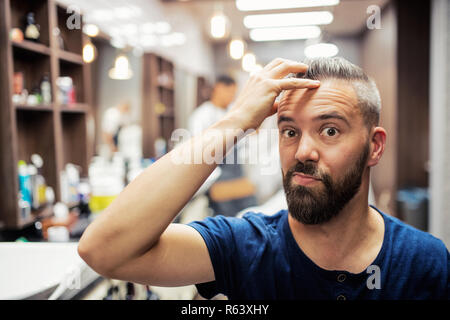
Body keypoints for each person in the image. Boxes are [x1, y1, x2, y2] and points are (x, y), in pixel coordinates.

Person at [78, 57, 449, 300]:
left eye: (330, 131)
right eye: (289, 132)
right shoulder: (244, 246)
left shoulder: (425, 262)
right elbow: (103, 250)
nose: (303, 151)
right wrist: (236, 120)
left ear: (374, 146)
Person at [189, 75, 257, 217]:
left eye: (234, 93)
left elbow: (244, 143)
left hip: (237, 171)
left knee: (251, 211)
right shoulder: (201, 115)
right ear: (218, 89)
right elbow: (200, 151)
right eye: (230, 92)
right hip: (216, 173)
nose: (232, 97)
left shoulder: (236, 112)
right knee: (228, 217)